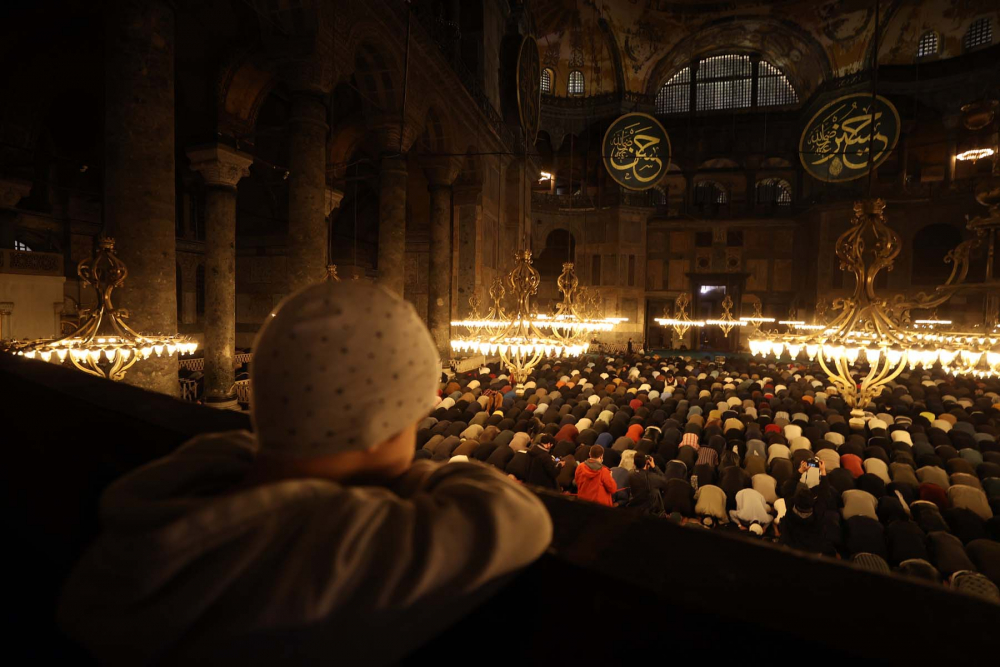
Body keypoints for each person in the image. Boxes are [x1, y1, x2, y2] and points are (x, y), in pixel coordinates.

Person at [57, 281, 553, 666]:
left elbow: (233, 448)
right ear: (380, 427)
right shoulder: (339, 550)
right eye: (414, 418)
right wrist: (398, 476)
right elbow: (516, 517)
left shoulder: (165, 500)